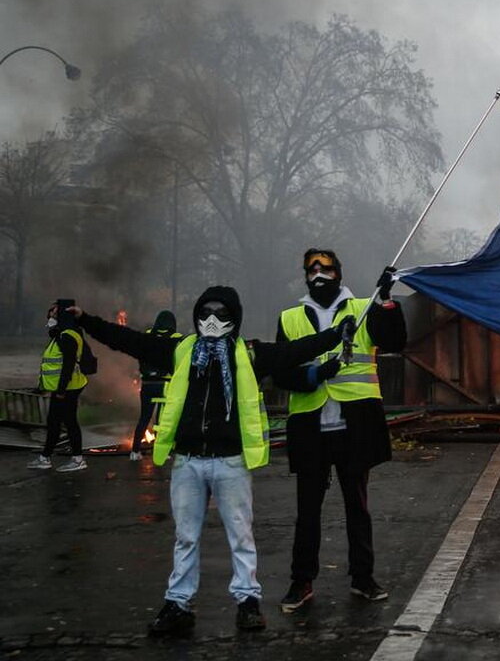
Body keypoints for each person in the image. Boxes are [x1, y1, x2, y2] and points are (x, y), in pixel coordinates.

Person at [70, 286, 351, 635]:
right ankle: (178, 604)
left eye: (221, 313)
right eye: (206, 312)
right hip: (188, 461)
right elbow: (128, 340)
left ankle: (247, 603)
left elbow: (293, 351)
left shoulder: (249, 354)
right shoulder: (182, 349)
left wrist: (334, 335)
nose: (213, 320)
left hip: (230, 461)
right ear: (196, 316)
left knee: (241, 536)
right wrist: (86, 321)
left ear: (235, 317)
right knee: (185, 537)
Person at [273, 249, 405, 613]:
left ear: (338, 272)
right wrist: (315, 374)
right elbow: (281, 371)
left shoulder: (363, 307)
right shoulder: (290, 317)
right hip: (310, 425)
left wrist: (386, 301)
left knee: (357, 506)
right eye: (311, 268)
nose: (318, 273)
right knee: (307, 510)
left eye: (325, 267)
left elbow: (394, 341)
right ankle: (301, 582)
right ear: (304, 275)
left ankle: (363, 578)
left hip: (354, 424)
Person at [27, 303, 92, 472]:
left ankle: (76, 459)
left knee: (68, 422)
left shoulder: (67, 336)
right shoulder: (62, 335)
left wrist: (61, 390)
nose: (50, 319)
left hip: (69, 388)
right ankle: (46, 457)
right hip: (65, 387)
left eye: (54, 316)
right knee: (55, 422)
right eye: (50, 316)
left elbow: (68, 365)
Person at [131, 310, 183, 461]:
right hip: (165, 384)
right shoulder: (177, 338)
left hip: (147, 384)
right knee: (162, 420)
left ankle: (135, 452)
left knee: (144, 417)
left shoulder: (147, 336)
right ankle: (161, 452)